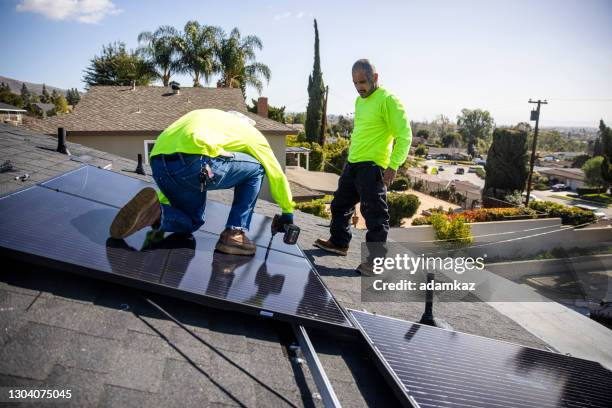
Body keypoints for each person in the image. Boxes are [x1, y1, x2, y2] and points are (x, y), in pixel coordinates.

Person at [109, 109, 295, 256]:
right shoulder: (251, 133)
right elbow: (276, 172)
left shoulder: (203, 115)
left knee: (191, 221)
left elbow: (175, 166)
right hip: (195, 162)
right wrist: (287, 211)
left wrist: (159, 200)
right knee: (258, 168)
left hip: (158, 163)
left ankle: (157, 213)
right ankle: (235, 233)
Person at [314, 59, 412, 274]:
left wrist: (393, 166)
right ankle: (339, 242)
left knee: (375, 216)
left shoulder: (388, 100)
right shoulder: (360, 102)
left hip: (373, 166)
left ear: (375, 78)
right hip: (353, 164)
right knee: (339, 205)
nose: (359, 87)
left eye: (363, 82)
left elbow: (404, 136)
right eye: (355, 83)